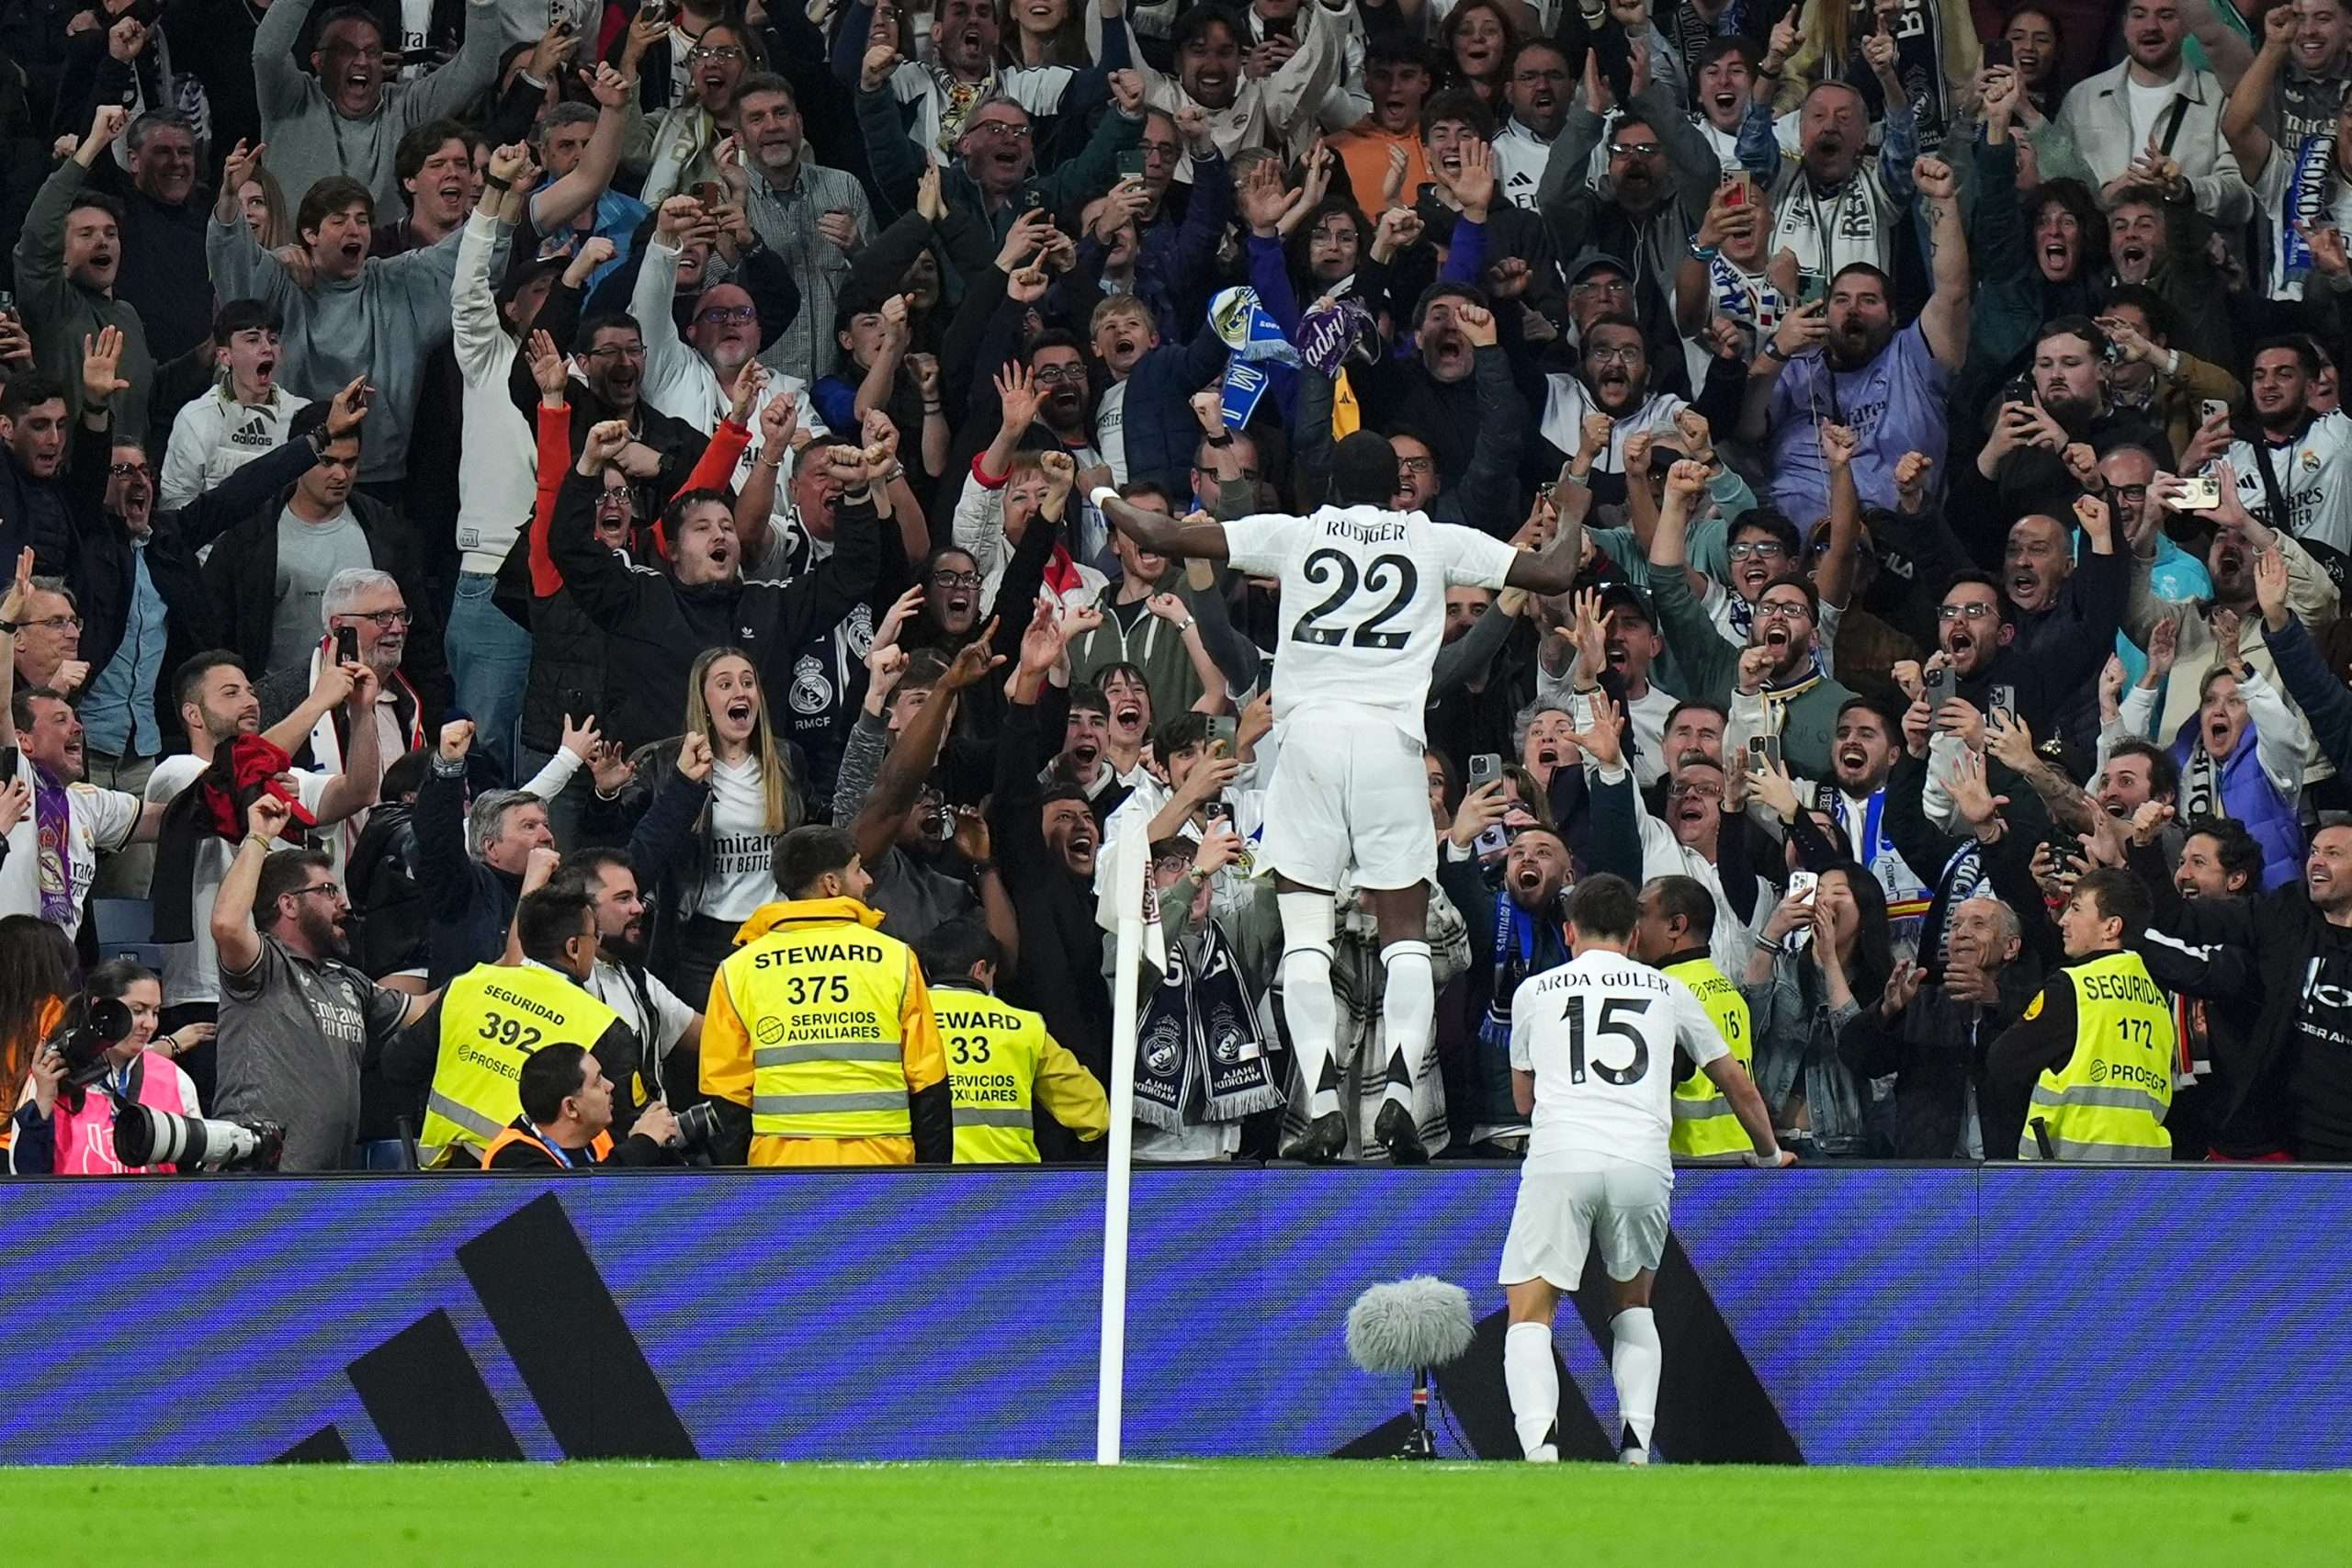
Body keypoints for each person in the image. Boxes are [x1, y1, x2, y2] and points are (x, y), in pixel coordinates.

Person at [1091, 428, 1587, 1164]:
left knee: (1304, 937)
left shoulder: (1296, 533)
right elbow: (1553, 570)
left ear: (1329, 487)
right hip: (1391, 740)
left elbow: (1161, 533)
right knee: (1406, 936)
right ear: (1398, 490)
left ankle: (1321, 1101)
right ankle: (1400, 1094)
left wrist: (1102, 489)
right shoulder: (1433, 539)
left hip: (1310, 741)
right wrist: (1572, 505)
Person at [1498, 874, 1789, 1468]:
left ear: (1569, 931)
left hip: (1563, 1157)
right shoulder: (1669, 991)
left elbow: (1524, 1102)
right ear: (1634, 935)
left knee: (1530, 1311)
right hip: (1641, 1160)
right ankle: (1635, 1445)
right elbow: (1736, 1082)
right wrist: (1768, 1154)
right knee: (1632, 1305)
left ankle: (1540, 1450)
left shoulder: (1535, 992)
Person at [700, 824, 950, 1166]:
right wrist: (933, 1181)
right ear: (831, 884)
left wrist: (741, 1187)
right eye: (858, 869)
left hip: (781, 1171)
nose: (867, 880)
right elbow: (929, 1082)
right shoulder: (896, 958)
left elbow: (726, 1096)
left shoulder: (738, 970)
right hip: (882, 1167)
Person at [209, 793, 434, 1170]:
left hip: (327, 1183)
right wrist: (258, 838)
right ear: (288, 904)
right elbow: (227, 925)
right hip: (257, 1179)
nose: (343, 903)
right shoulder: (266, 964)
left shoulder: (348, 981)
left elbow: (426, 1008)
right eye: (328, 891)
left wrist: (498, 970)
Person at [384, 882, 650, 1165]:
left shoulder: (468, 985)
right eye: (594, 936)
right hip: (533, 1179)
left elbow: (397, 1063)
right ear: (574, 947)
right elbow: (628, 1126)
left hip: (441, 1177)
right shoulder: (603, 1026)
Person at [1988, 867, 2178, 1160]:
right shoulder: (2156, 996)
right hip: (2147, 1168)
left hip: (2073, 1170)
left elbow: (2003, 1062)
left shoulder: (2074, 986)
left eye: (2076, 908)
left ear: (2111, 927)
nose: (2064, 920)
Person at [917, 918, 1109, 1162]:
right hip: (1011, 1177)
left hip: (924, 1177)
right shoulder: (1025, 1025)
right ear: (980, 969)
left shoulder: (910, 1018)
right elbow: (1091, 1109)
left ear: (927, 970)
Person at [10, 959, 209, 1176]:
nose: (150, 1024)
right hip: (74, 1199)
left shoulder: (174, 1079)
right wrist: (43, 1103)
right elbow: (24, 1174)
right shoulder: (51, 1077)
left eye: (155, 1012)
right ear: (100, 1008)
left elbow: (196, 1172)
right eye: (137, 1010)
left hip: (155, 1199)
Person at [1630, 874, 1756, 1164]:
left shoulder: (1663, 993)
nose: (1633, 926)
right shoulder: (1726, 986)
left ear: (1676, 926)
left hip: (1690, 1160)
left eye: (1641, 913)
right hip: (1741, 1152)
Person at [481, 1042, 680, 1169]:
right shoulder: (513, 1159)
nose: (610, 1086)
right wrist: (643, 1143)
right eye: (598, 1082)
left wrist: (661, 1140)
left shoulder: (600, 1137)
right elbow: (577, 1203)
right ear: (571, 1108)